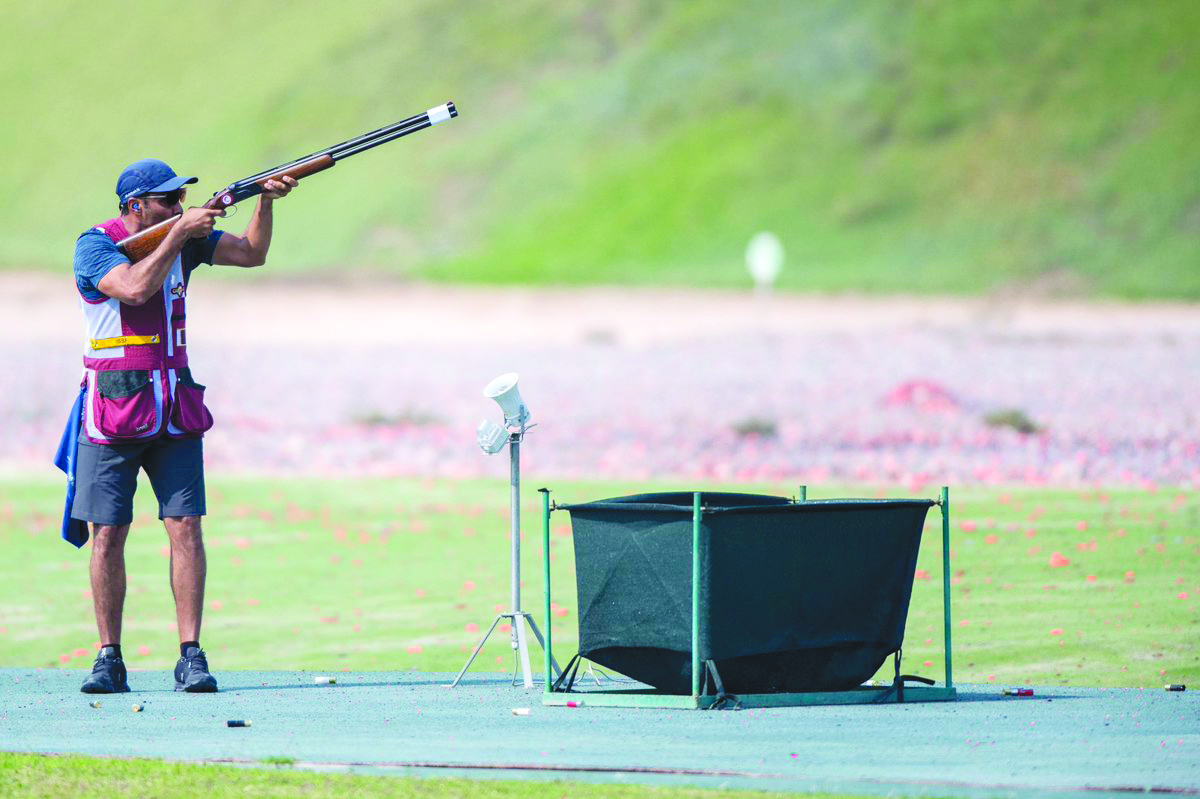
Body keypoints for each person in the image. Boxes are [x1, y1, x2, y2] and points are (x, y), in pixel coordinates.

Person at [68, 158, 297, 694]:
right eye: (166, 201)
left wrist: (265, 201)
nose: (177, 207)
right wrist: (180, 232)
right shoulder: (94, 245)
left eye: (180, 200)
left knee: (186, 528)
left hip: (174, 406)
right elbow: (133, 289)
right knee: (107, 535)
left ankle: (191, 655)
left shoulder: (179, 234)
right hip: (114, 410)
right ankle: (109, 658)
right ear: (134, 207)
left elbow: (252, 253)